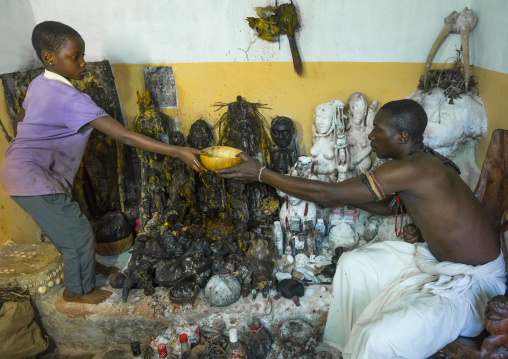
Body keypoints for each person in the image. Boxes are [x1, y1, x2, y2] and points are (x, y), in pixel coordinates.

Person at [219, 99, 505, 358]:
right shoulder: (418, 161)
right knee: (355, 264)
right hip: (442, 264)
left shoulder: (412, 168)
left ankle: (367, 347)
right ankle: (344, 348)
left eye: (378, 130)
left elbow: (328, 194)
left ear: (402, 137)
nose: (370, 136)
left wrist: (261, 173)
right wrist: (340, 197)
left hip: (476, 287)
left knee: (378, 339)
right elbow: (392, 206)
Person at [0, 21, 206, 305]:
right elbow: (125, 136)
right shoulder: (72, 98)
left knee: (68, 226)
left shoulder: (40, 83)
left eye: (82, 55)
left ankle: (85, 268)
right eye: (76, 57)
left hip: (19, 168)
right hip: (30, 177)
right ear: (50, 57)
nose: (84, 63)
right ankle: (78, 291)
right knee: (78, 232)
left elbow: (22, 116)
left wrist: (29, 141)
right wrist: (178, 151)